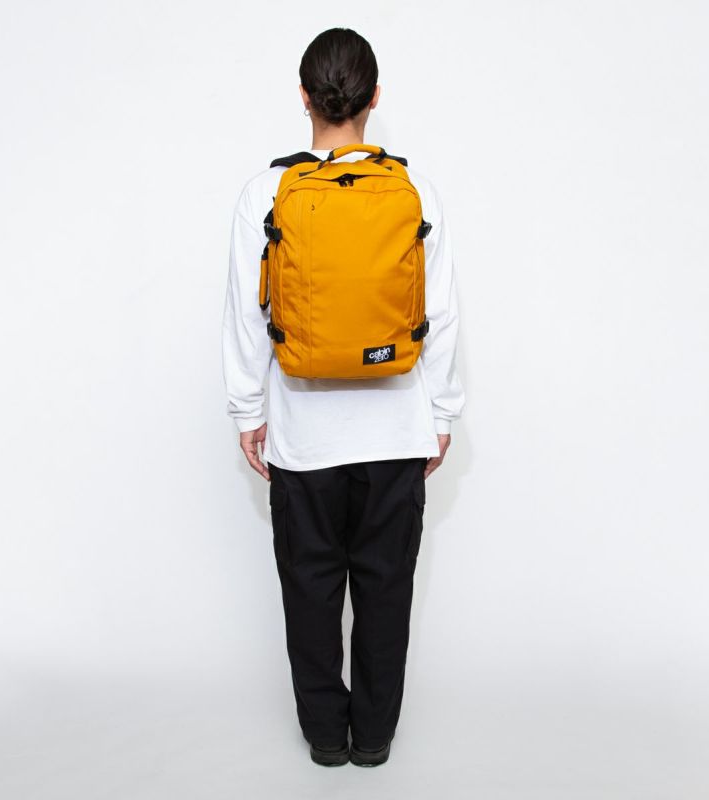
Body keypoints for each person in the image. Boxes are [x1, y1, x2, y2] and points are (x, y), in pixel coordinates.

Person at [221, 27, 465, 767]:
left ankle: (326, 738)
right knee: (387, 594)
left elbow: (246, 314)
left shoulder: (266, 193)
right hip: (396, 433)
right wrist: (441, 414)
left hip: (304, 438)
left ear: (304, 97)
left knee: (310, 591)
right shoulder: (415, 189)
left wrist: (248, 412)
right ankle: (376, 738)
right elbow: (442, 313)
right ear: (374, 97)